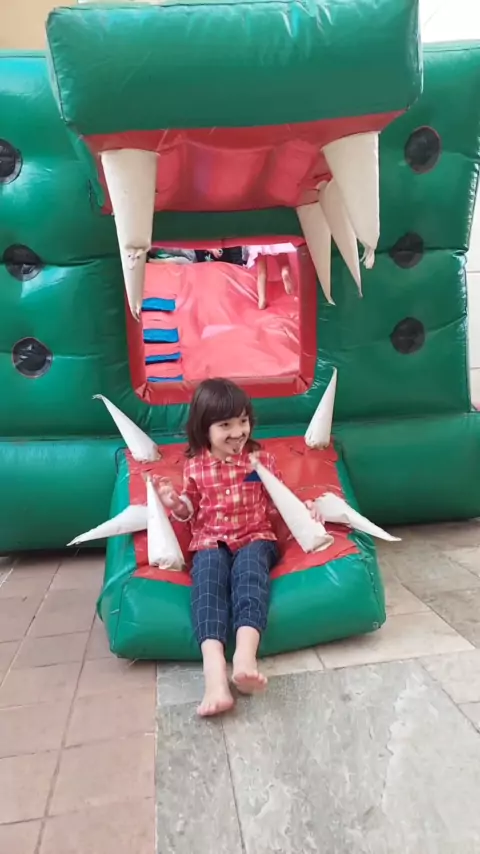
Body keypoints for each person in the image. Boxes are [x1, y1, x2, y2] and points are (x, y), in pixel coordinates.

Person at [155, 378, 321, 717]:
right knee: (207, 584)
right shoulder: (196, 467)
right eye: (225, 425)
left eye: (243, 421)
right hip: (210, 540)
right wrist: (175, 504)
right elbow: (190, 509)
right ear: (204, 429)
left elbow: (279, 497)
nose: (237, 432)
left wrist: (305, 510)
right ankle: (214, 676)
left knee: (249, 576)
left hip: (255, 536)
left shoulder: (258, 462)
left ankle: (245, 658)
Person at [246, 243, 297, 309]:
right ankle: (285, 272)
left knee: (261, 271)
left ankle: (262, 300)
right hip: (276, 240)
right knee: (284, 263)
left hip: (260, 242)